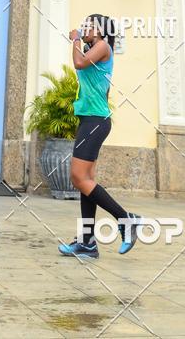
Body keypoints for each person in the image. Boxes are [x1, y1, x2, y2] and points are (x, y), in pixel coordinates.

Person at [58, 14, 141, 260]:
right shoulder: (94, 49)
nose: (83, 28)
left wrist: (74, 40)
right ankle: (87, 242)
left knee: (77, 177)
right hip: (92, 120)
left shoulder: (102, 46)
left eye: (88, 25)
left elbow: (79, 64)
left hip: (95, 121)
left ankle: (126, 220)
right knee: (86, 182)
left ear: (101, 30)